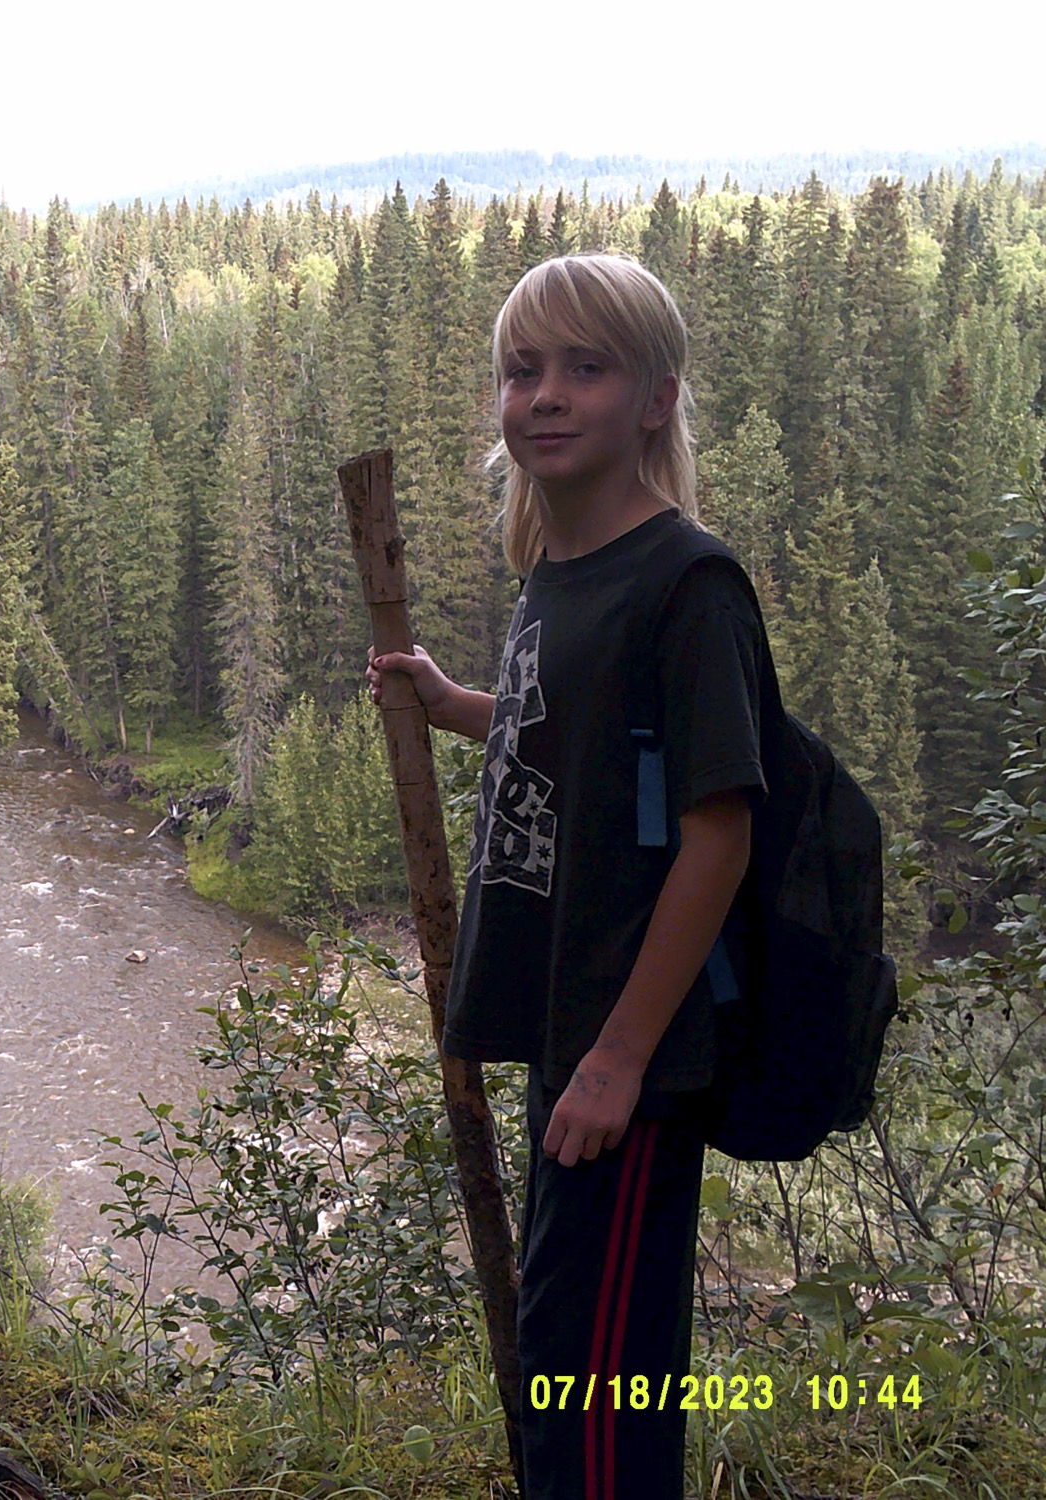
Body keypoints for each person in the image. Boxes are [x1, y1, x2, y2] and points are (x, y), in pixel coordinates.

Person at [367, 252, 765, 1500]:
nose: (542, 395)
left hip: (626, 1048)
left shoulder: (686, 585)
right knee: (563, 1338)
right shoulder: (558, 568)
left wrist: (617, 1059)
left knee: (594, 1378)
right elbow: (577, 739)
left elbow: (717, 834)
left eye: (584, 368)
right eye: (520, 370)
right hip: (570, 1026)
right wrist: (456, 706)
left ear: (654, 399)